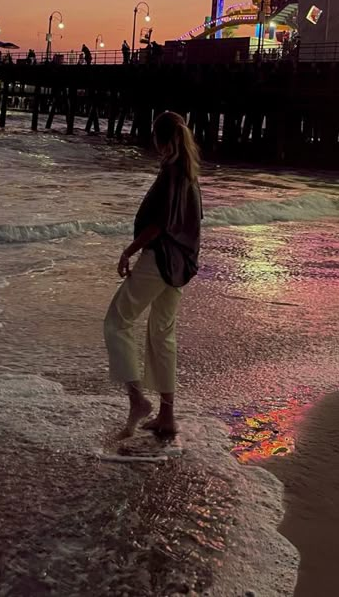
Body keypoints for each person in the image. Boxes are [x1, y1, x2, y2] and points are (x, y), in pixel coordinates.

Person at [104, 111, 202, 439]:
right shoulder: (189, 173)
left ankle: (136, 400)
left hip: (159, 259)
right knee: (162, 334)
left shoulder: (171, 172)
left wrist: (128, 251)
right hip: (180, 265)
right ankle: (167, 416)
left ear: (160, 140)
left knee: (116, 322)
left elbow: (158, 224)